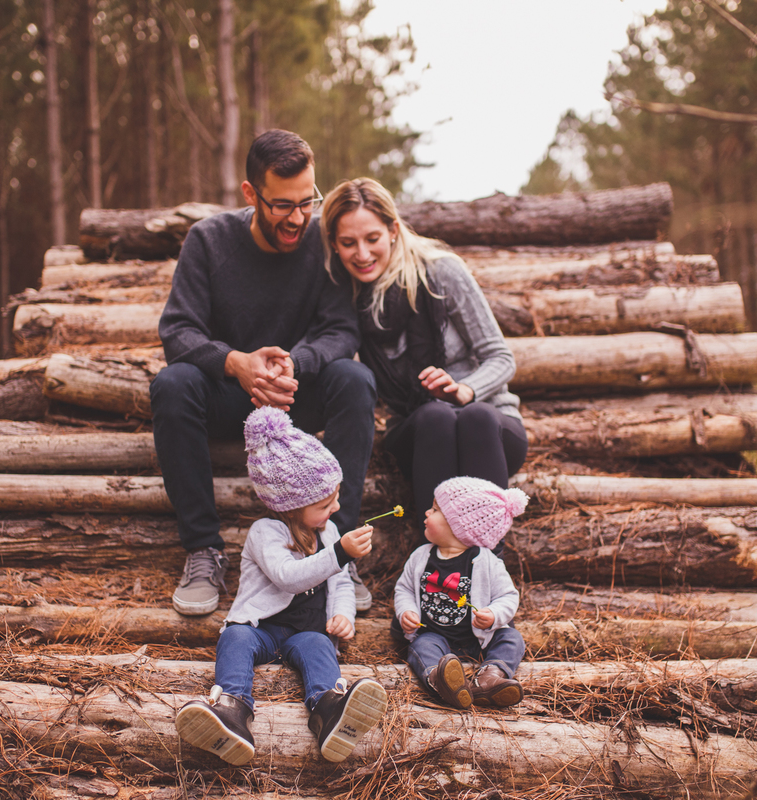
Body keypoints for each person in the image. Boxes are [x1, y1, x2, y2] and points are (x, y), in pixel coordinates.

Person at [152, 131, 377, 616]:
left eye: (307, 202)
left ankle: (340, 550)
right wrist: (237, 363)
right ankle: (203, 550)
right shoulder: (209, 241)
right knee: (172, 385)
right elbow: (177, 331)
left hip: (298, 396)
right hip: (229, 396)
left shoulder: (322, 243)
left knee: (354, 380)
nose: (298, 218)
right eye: (282, 205)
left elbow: (342, 330)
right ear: (251, 194)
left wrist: (296, 362)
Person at [175, 406, 388, 765]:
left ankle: (329, 709)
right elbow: (288, 576)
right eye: (325, 503)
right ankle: (232, 709)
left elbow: (340, 585)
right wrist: (340, 552)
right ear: (291, 506)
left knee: (320, 646)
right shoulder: (266, 533)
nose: (335, 508)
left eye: (336, 497)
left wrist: (342, 615)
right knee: (234, 638)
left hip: (305, 630)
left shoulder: (329, 531)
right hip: (261, 628)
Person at [321, 178, 527, 540]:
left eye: (372, 239)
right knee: (434, 414)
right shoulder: (345, 299)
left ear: (393, 230)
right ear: (334, 246)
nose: (363, 254)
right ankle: (437, 566)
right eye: (348, 243)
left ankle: (487, 569)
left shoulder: (441, 273)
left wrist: (464, 390)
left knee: (474, 416)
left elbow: (501, 356)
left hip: (489, 428)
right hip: (422, 435)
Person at [393, 476, 528, 709]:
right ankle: (440, 678)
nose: (426, 513)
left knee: (512, 639)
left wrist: (493, 615)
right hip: (436, 636)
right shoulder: (421, 556)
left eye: (435, 510)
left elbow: (509, 596)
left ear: (460, 526)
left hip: (479, 640)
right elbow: (404, 588)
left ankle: (490, 676)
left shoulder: (487, 562)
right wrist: (407, 611)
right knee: (421, 646)